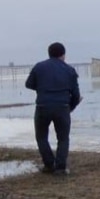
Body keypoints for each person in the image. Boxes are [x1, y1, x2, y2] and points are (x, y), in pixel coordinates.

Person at [25, 41, 81, 175]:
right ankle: (61, 167)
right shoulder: (69, 70)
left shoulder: (39, 67)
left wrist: (42, 89)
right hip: (62, 107)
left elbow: (28, 84)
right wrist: (71, 107)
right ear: (63, 55)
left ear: (49, 54)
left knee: (41, 137)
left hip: (42, 106)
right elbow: (76, 94)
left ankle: (49, 164)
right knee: (63, 138)